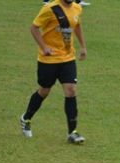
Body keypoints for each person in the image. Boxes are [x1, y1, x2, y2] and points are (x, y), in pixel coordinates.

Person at [20, 0, 87, 144]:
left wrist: (83, 47)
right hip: (48, 59)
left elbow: (77, 25)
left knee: (71, 90)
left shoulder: (77, 8)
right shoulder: (50, 8)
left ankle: (72, 133)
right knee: (44, 91)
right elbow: (34, 28)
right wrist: (44, 47)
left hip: (68, 58)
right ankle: (26, 118)